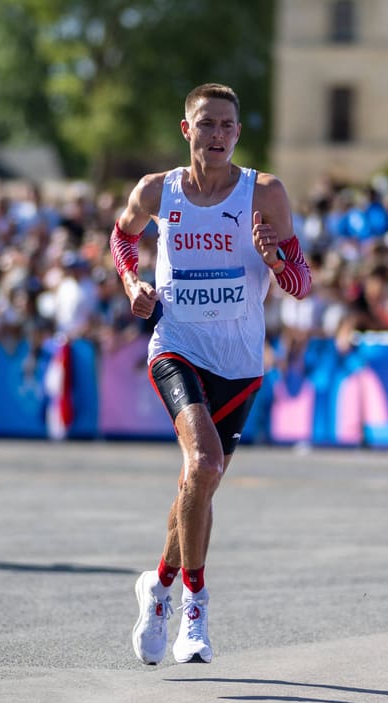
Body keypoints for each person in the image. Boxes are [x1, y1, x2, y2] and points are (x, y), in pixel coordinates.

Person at [109, 83, 312, 665]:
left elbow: (302, 284)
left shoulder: (263, 192)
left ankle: (159, 585)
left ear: (238, 133)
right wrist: (132, 284)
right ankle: (193, 610)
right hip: (176, 346)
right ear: (187, 130)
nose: (217, 135)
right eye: (207, 124)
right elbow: (123, 237)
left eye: (227, 126)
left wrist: (274, 258)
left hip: (242, 365)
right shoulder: (158, 189)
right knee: (204, 463)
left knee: (197, 483)